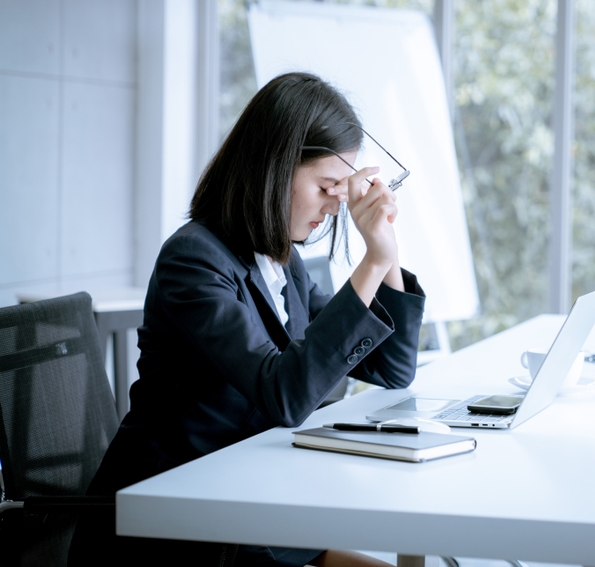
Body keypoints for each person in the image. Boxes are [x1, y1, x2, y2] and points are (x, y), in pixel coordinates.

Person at [69, 72, 425, 567]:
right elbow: (285, 393)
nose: (337, 204)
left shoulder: (281, 262)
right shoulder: (193, 261)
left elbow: (392, 369)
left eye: (343, 189)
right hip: (178, 527)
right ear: (276, 168)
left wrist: (388, 250)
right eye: (327, 186)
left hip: (251, 508)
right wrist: (369, 263)